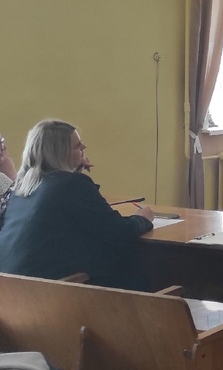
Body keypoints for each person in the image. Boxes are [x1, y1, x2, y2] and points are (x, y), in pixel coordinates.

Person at [0, 120, 155, 290]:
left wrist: (73, 174)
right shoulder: (70, 184)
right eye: (78, 146)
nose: (84, 147)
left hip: (12, 292)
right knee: (136, 273)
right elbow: (118, 232)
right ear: (61, 153)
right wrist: (142, 219)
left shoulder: (20, 188)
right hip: (50, 293)